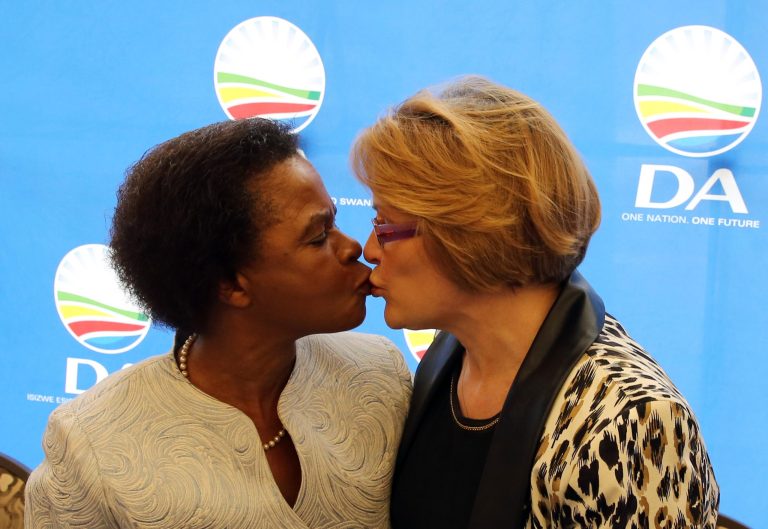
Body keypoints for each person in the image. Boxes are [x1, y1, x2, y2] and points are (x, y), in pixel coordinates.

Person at [351, 76, 719, 529]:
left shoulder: (629, 421)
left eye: (386, 225)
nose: (368, 247)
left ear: (467, 233)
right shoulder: (451, 355)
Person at [25, 118, 412, 528]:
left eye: (333, 222)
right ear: (230, 285)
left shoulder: (381, 376)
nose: (353, 247)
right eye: (318, 237)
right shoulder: (90, 443)